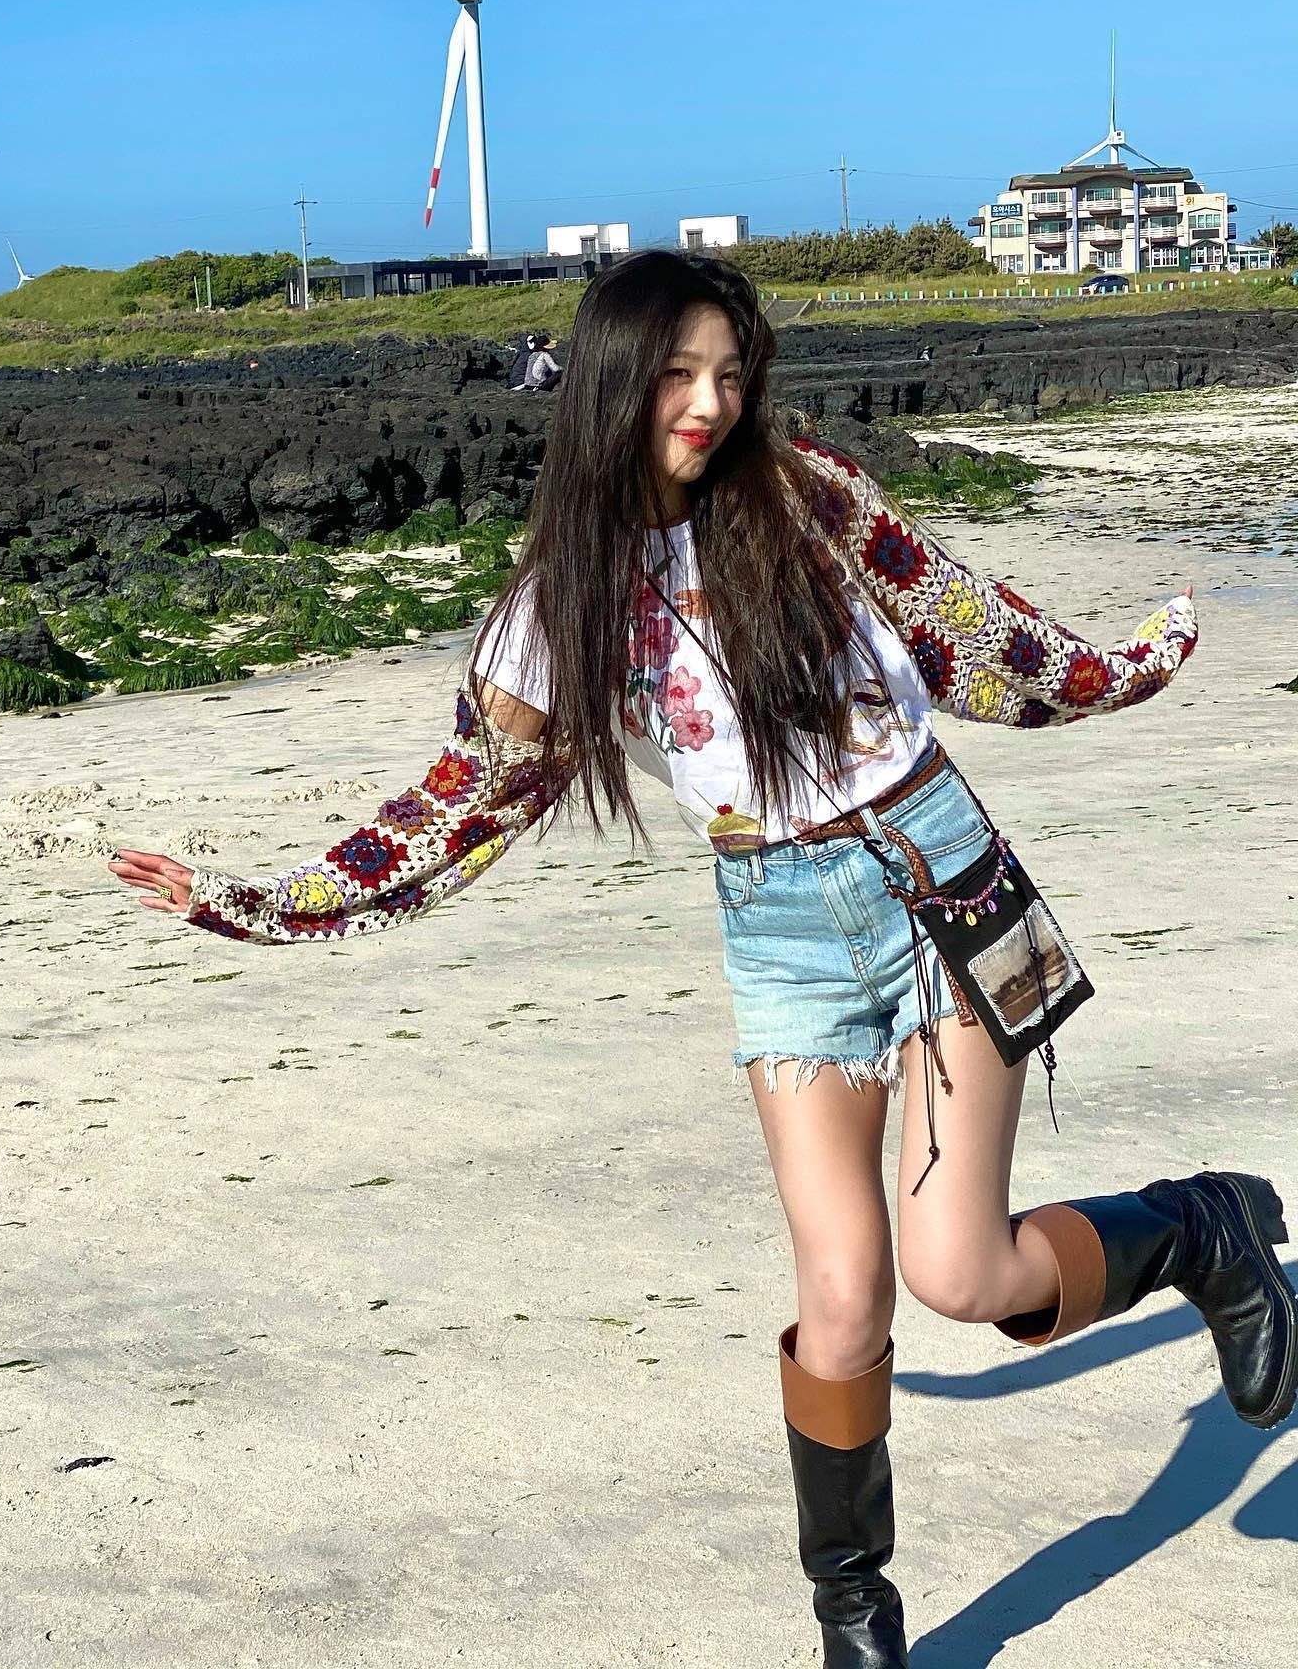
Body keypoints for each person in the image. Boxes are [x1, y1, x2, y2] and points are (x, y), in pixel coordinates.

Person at [109, 250, 1295, 1665]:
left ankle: (1201, 1231)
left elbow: (973, 634)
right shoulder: (557, 609)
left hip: (942, 874)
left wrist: (1130, 663)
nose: (708, 402)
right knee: (841, 1295)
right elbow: (457, 810)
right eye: (676, 373)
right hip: (781, 928)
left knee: (961, 1276)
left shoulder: (805, 495)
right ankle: (855, 1615)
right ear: (612, 383)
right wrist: (253, 901)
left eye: (729, 373)